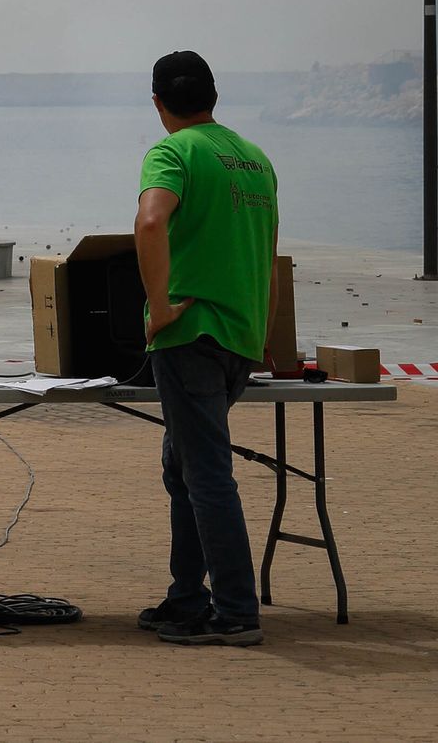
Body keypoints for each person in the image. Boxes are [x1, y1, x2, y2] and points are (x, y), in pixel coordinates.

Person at [133, 49, 278, 646]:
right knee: (183, 467)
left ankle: (236, 611)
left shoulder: (172, 152)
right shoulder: (253, 158)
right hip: (241, 337)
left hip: (191, 334)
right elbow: (266, 254)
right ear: (214, 96)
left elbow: (149, 222)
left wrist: (160, 307)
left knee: (207, 474)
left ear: (158, 103)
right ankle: (187, 596)